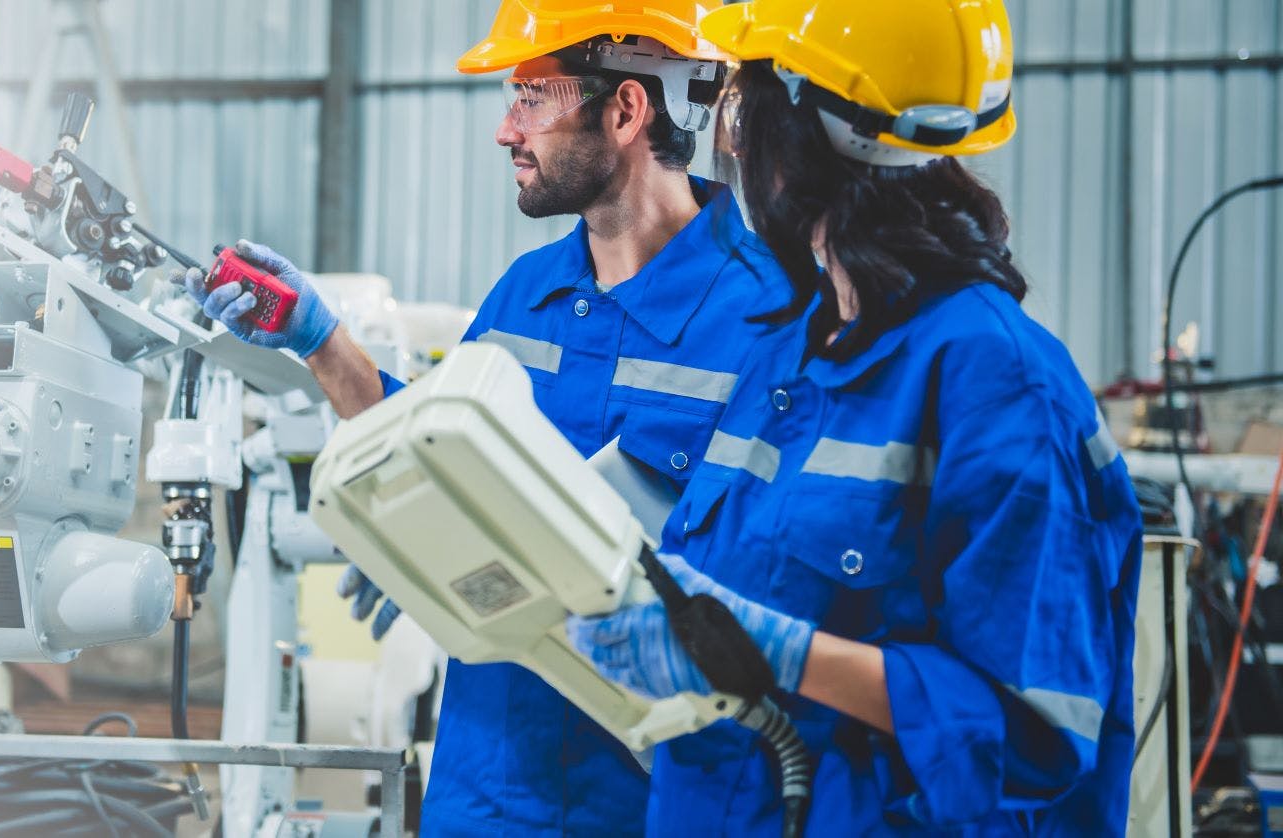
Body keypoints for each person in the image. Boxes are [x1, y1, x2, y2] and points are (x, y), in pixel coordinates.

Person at [182, 3, 794, 833]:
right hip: (491, 785)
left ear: (626, 111)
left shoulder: (773, 321)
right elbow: (435, 448)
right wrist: (320, 339)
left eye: (532, 99)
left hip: (663, 799)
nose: (507, 131)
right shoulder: (523, 297)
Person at [567, 0, 1144, 834]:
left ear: (807, 132)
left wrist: (780, 656)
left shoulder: (993, 378)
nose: (731, 138)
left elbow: (1035, 735)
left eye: (744, 102)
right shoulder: (793, 351)